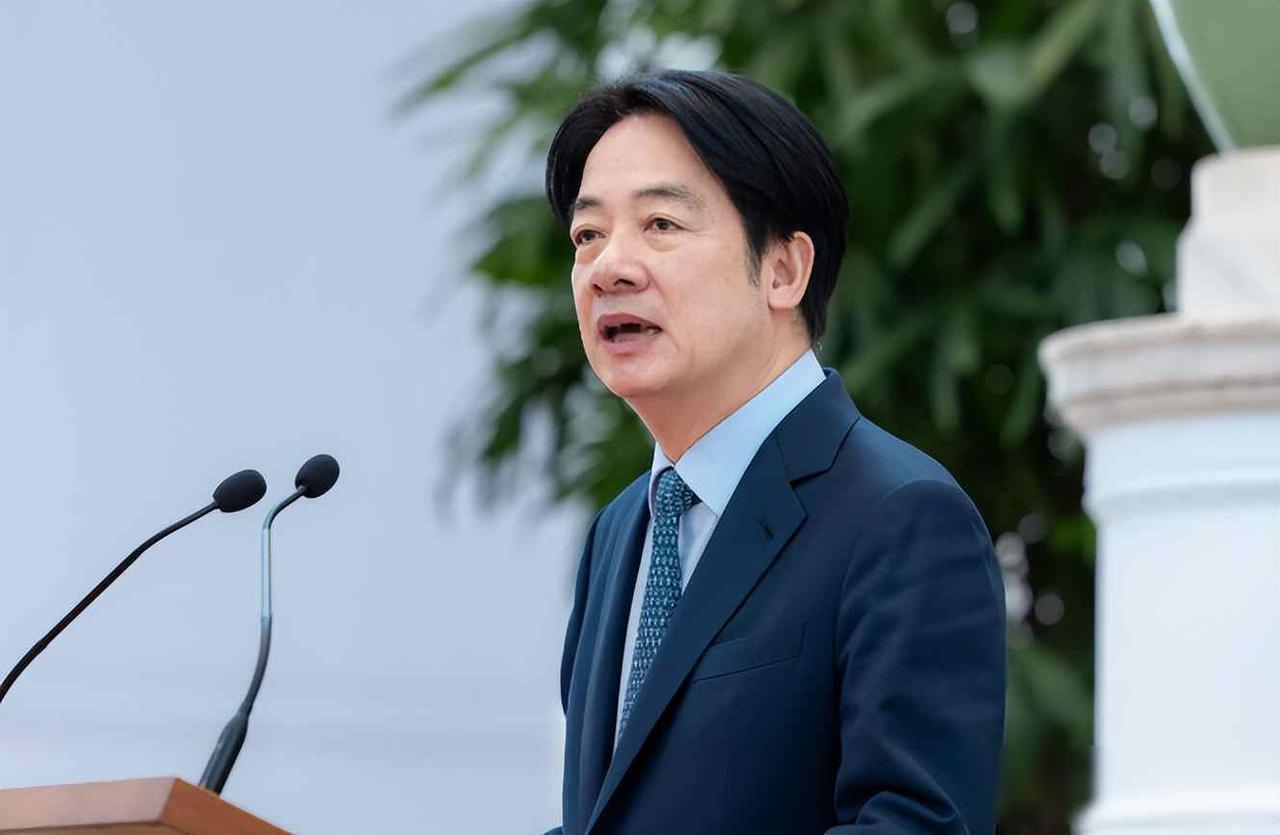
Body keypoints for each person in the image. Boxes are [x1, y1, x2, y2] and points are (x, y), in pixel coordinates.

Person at [543, 69, 1005, 835]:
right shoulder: (621, 532)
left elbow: (912, 823)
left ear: (785, 270)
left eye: (660, 223)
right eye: (588, 235)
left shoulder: (900, 518)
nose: (608, 267)